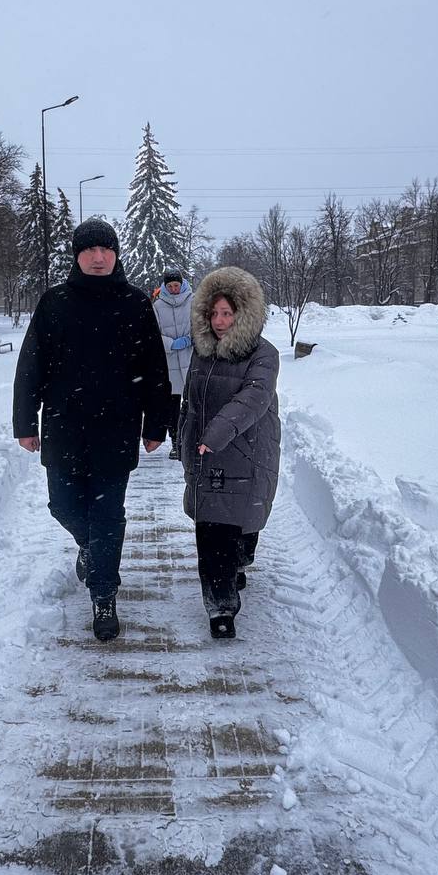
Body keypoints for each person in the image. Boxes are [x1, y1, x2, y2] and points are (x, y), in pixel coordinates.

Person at [13, 218, 172, 641]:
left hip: (116, 430)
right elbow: (30, 366)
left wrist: (156, 424)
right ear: (77, 256)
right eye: (89, 249)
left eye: (106, 249)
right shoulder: (54, 302)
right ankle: (92, 547)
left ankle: (104, 594)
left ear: (116, 255)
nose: (98, 257)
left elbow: (155, 370)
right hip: (65, 426)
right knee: (63, 505)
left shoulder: (135, 303)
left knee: (107, 515)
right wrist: (25, 422)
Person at [179, 266, 281, 639]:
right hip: (206, 453)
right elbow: (190, 400)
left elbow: (254, 397)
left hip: (246, 451)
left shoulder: (264, 354)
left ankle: (240, 560)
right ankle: (220, 607)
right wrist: (184, 435)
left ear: (244, 313)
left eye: (227, 313)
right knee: (212, 532)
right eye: (214, 313)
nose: (220, 321)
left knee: (241, 526)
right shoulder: (202, 351)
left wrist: (217, 433)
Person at [152, 269, 194, 461]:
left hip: (191, 358)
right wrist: (170, 344)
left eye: (176, 285)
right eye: (170, 286)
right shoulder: (158, 306)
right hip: (169, 363)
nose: (174, 289)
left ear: (182, 284)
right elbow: (152, 334)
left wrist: (191, 339)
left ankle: (193, 440)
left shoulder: (194, 301)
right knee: (173, 407)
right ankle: (176, 442)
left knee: (194, 401)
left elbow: (201, 325)